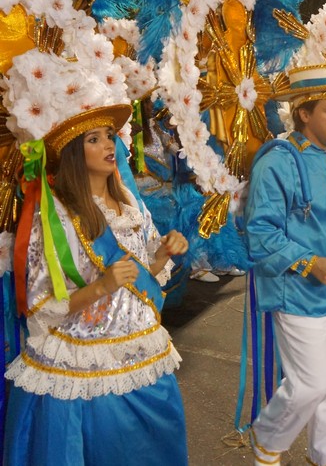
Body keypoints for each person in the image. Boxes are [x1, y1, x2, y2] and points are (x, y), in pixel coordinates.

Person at [3, 49, 189, 465]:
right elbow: (44, 304)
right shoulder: (58, 218)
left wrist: (163, 253)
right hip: (87, 359)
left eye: (109, 135)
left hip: (143, 350)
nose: (109, 145)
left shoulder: (130, 205)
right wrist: (102, 286)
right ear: (73, 152)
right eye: (94, 139)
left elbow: (142, 277)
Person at [245, 64, 326, 466]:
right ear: (304, 113)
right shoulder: (277, 161)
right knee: (311, 385)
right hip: (302, 294)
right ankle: (267, 439)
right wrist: (309, 263)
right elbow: (259, 233)